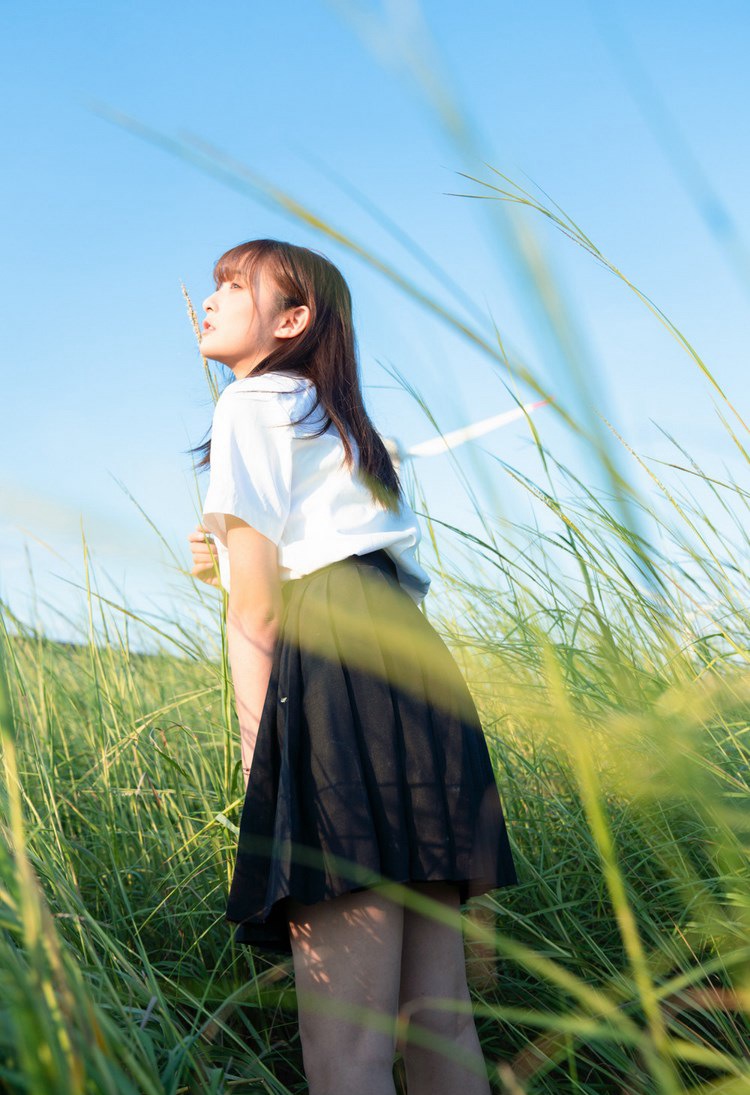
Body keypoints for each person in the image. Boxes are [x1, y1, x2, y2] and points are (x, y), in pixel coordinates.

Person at [186, 238, 519, 1095]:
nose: (213, 297)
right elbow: (334, 551)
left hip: (335, 685)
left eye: (235, 284)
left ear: (292, 320)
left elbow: (257, 610)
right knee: (435, 1018)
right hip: (419, 686)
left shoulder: (250, 405)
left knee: (349, 1049)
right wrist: (220, 549)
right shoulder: (344, 427)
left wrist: (266, 761)